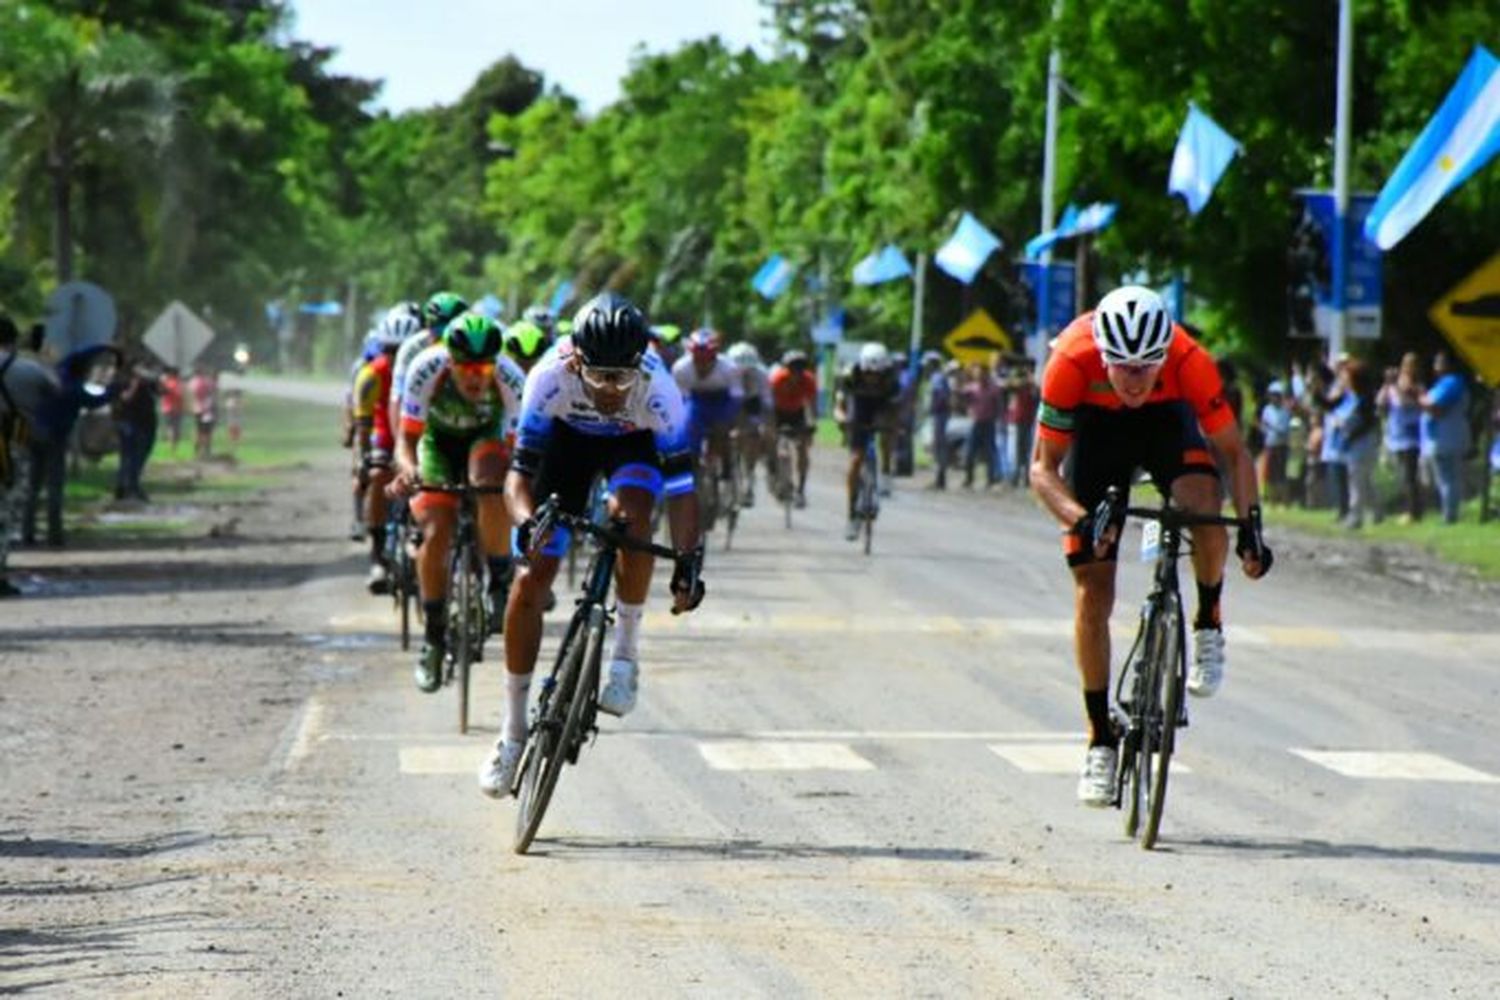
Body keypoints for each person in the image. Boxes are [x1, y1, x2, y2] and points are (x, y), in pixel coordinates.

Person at [1028, 286, 1272, 807]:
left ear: (1165, 352)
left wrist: (1251, 526)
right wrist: (1082, 519)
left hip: (1166, 424)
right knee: (1093, 590)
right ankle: (1099, 738)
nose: (1136, 379)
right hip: (1099, 433)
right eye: (1124, 367)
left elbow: (1233, 451)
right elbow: (1042, 470)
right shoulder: (1072, 359)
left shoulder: (1188, 360)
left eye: (1148, 366)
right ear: (1104, 356)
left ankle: (1208, 621)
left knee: (1205, 507)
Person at [478, 293, 704, 797]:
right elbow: (518, 477)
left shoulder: (659, 389)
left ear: (638, 367)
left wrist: (690, 562)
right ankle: (512, 734)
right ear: (576, 360)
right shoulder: (547, 377)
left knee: (636, 518)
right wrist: (524, 522)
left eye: (621, 379)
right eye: (598, 376)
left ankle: (624, 656)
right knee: (530, 578)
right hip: (566, 448)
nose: (608, 390)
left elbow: (684, 491)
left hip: (633, 447)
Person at [390, 314, 526, 689]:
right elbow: (406, 440)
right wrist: (410, 470)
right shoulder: (425, 368)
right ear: (448, 360)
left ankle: (499, 578)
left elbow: (520, 450)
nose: (474, 376)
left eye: (483, 367)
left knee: (490, 484)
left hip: (486, 440)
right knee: (435, 532)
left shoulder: (512, 378)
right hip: (437, 444)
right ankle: (433, 639)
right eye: (465, 367)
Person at [352, 311, 420, 593]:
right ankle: (378, 555)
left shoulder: (427, 369)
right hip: (385, 438)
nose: (395, 358)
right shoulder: (370, 375)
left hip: (418, 439)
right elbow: (363, 428)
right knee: (379, 475)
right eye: (390, 351)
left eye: (402, 350)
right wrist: (364, 461)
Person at [0, 315, 58, 596]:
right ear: (12, 340)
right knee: (6, 511)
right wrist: (42, 357)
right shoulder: (28, 370)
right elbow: (55, 389)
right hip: (11, 447)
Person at [833, 342, 902, 541]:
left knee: (888, 435)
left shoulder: (891, 380)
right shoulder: (850, 376)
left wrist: (893, 427)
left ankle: (886, 472)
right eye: (868, 373)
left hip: (882, 407)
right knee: (855, 461)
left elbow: (895, 410)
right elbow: (839, 406)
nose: (872, 378)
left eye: (876, 374)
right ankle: (852, 514)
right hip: (859, 408)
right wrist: (841, 419)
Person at [672, 329, 743, 520]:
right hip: (696, 401)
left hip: (723, 401)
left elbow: (737, 399)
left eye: (706, 362)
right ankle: (694, 469)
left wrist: (729, 424)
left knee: (721, 431)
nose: (702, 366)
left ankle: (725, 468)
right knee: (688, 429)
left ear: (714, 358)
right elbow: (678, 401)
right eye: (698, 361)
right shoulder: (681, 368)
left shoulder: (729, 368)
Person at [1420, 350, 1471, 524]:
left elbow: (1437, 408)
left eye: (1440, 361)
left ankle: (1450, 515)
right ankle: (1448, 512)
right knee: (1444, 479)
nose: (1436, 364)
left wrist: (1418, 396)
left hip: (1448, 437)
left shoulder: (1452, 382)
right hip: (1438, 437)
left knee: (1448, 478)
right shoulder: (1441, 384)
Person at [1333, 359, 1380, 529]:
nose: (1344, 379)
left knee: (1356, 482)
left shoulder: (1365, 399)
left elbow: (1367, 423)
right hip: (1353, 446)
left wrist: (1349, 434)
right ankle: (1377, 512)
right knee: (1364, 481)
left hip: (1361, 446)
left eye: (1346, 376)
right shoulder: (1350, 397)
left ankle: (1356, 517)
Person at [768, 348, 818, 506]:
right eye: (793, 369)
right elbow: (768, 406)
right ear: (786, 369)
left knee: (802, 448)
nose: (797, 373)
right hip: (777, 412)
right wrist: (771, 428)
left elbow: (811, 405)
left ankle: (801, 490)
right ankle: (774, 471)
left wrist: (811, 424)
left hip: (797, 413)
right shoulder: (777, 380)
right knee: (775, 443)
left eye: (800, 369)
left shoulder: (809, 380)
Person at [1378, 353, 1424, 523]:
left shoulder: (1418, 387)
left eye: (1410, 366)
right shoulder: (1393, 387)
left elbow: (1405, 402)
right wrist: (1387, 385)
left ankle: (1413, 512)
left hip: (1411, 436)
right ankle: (1409, 510)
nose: (1406, 370)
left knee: (1409, 476)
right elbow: (1381, 402)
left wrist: (1398, 388)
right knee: (1403, 476)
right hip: (1396, 436)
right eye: (1405, 365)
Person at [726, 342, 773, 506]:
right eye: (741, 370)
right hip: (731, 402)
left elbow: (766, 402)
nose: (745, 373)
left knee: (753, 436)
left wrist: (764, 426)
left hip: (753, 403)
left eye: (749, 370)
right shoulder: (726, 372)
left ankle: (750, 473)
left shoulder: (762, 374)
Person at [111, 355, 159, 501]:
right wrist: (135, 383)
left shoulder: (147, 382)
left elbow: (160, 391)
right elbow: (125, 399)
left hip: (146, 423)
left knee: (139, 456)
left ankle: (131, 484)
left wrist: (153, 380)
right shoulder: (121, 380)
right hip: (128, 422)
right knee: (129, 456)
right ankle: (126, 486)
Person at [960, 361, 1002, 489]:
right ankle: (969, 478)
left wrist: (996, 418)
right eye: (978, 373)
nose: (981, 375)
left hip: (989, 423)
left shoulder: (994, 389)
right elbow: (962, 397)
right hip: (976, 422)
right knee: (970, 451)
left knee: (990, 452)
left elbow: (998, 405)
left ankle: (991, 479)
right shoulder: (972, 388)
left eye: (983, 373)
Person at [1256, 381, 1293, 505]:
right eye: (1272, 395)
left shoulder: (1285, 411)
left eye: (1276, 395)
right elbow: (1263, 427)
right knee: (1269, 473)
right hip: (1270, 444)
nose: (1274, 397)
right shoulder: (1267, 410)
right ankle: (1271, 499)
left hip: (1281, 445)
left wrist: (1271, 427)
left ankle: (1283, 499)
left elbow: (1284, 430)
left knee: (1281, 473)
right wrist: (1263, 428)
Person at [921, 352, 952, 489]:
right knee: (938, 447)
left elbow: (940, 396)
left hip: (939, 415)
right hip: (939, 415)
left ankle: (940, 479)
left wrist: (933, 410)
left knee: (938, 447)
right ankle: (939, 479)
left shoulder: (937, 377)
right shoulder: (937, 377)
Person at [1007, 358, 1038, 488]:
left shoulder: (1033, 385)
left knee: (1026, 450)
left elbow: (1037, 394)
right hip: (1019, 419)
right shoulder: (1020, 382)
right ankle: (1016, 477)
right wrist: (1027, 379)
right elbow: (1011, 385)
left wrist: (1031, 382)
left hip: (1028, 420)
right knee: (1018, 450)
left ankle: (1025, 478)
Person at [188, 364, 219, 460]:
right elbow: (211, 393)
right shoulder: (205, 382)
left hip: (196, 409)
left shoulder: (192, 382)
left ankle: (197, 450)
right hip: (206, 410)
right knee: (207, 430)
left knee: (199, 430)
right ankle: (206, 450)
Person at [159, 367, 184, 453]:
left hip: (167, 408)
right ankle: (173, 447)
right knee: (175, 428)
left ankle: (171, 447)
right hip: (176, 408)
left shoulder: (167, 383)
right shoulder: (178, 384)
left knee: (170, 428)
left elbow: (162, 393)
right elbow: (180, 395)